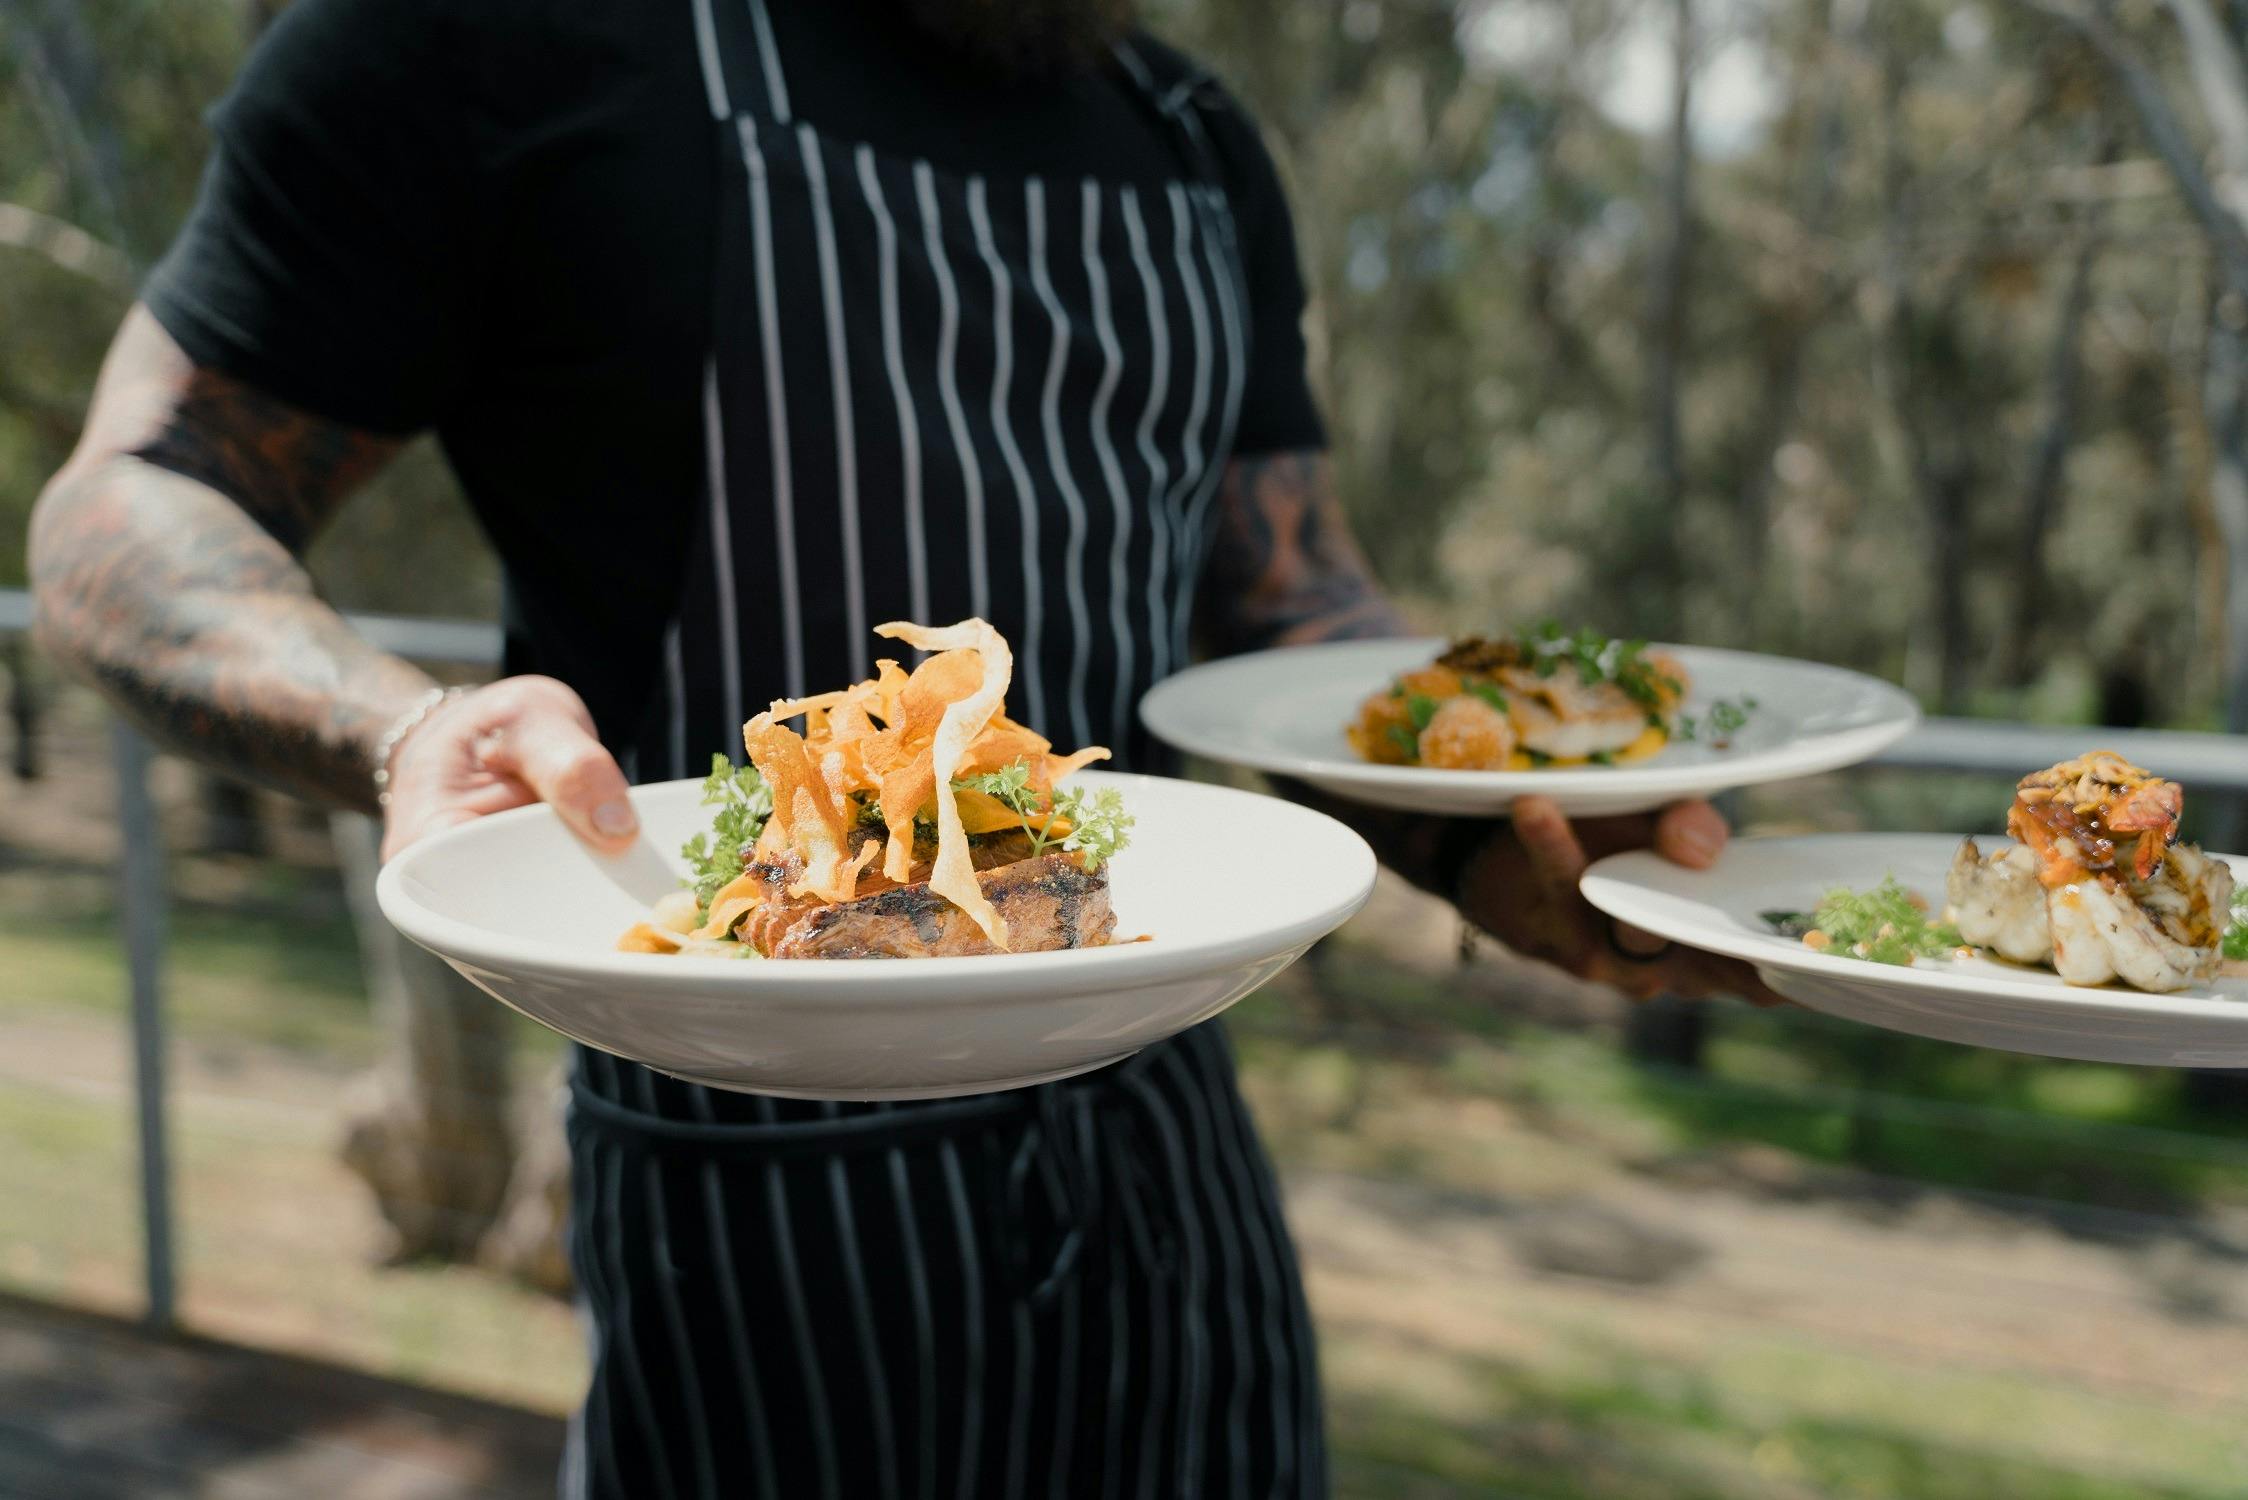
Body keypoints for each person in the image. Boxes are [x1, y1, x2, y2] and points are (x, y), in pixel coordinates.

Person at [28, 0, 1767, 1494]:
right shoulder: (486, 40)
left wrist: (1502, 828)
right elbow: (135, 493)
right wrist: (396, 728)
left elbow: (1289, 607)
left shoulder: (1186, 133)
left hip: (1168, 1149)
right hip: (750, 1196)